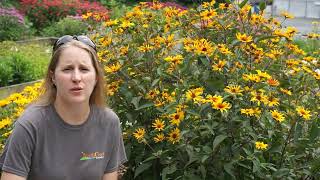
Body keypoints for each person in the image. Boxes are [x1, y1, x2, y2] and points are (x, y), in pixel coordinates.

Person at [0, 35, 127, 180]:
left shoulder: (109, 123)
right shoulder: (30, 125)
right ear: (53, 77)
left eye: (84, 69)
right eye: (67, 69)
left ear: (96, 77)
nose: (76, 78)